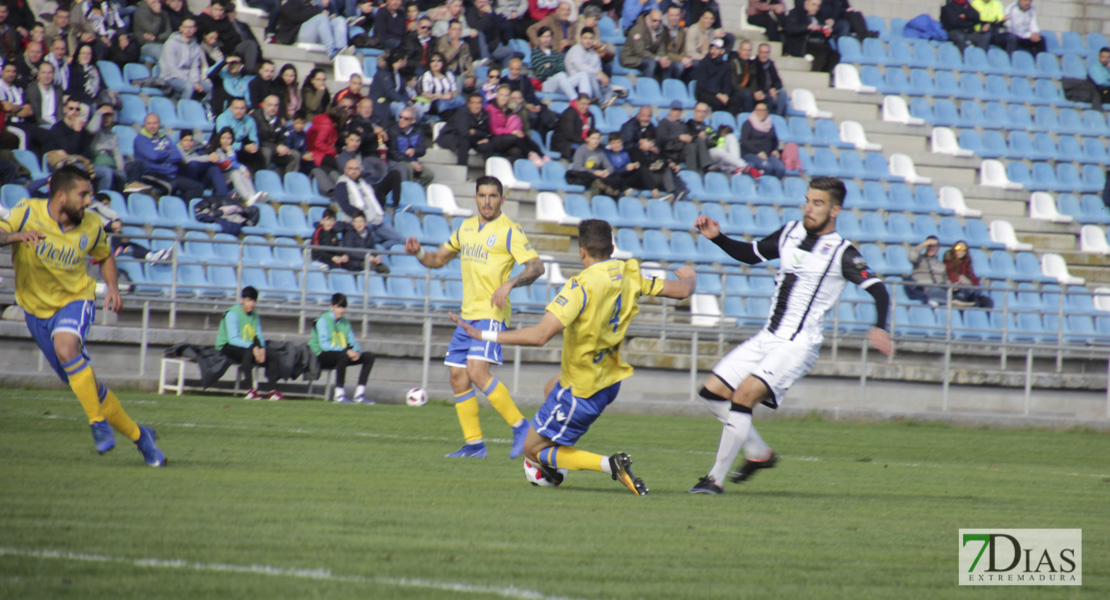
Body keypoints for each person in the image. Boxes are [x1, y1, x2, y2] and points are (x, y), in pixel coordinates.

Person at [449, 219, 697, 494]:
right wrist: (691, 277)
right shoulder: (629, 274)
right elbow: (683, 290)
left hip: (582, 388)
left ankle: (610, 464)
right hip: (610, 378)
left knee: (532, 450)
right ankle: (557, 452)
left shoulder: (579, 286)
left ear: (581, 252)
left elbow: (540, 336)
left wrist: (482, 335)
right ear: (611, 247)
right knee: (549, 388)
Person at [687, 176, 893, 494]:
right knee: (711, 394)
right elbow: (752, 254)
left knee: (743, 396)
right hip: (768, 337)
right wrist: (718, 238)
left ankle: (713, 481)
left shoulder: (843, 253)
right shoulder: (790, 232)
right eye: (808, 200)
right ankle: (758, 453)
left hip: (799, 345)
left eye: (818, 203)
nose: (809, 208)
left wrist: (881, 325)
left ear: (835, 210)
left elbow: (878, 288)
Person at [0, 165, 165, 465]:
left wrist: (112, 287)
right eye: (84, 194)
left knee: (67, 348)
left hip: (76, 299)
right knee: (82, 382)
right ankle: (142, 437)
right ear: (61, 196)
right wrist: (18, 237)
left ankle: (98, 424)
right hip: (35, 310)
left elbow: (104, 256)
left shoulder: (91, 224)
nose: (89, 201)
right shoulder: (27, 210)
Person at [404, 175, 544, 459]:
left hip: (491, 313)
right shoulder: (465, 228)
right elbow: (438, 260)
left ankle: (521, 428)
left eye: (493, 196)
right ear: (476, 198)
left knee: (477, 372)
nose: (487, 201)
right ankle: (474, 445)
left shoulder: (509, 231)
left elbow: (536, 267)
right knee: (458, 377)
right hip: (468, 315)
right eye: (482, 196)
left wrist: (510, 283)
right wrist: (419, 254)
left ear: (502, 199)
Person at [216, 286, 284, 400]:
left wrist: (262, 348)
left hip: (248, 346)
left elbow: (258, 334)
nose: (251, 304)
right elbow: (233, 338)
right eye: (249, 300)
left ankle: (272, 391)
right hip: (227, 346)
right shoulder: (231, 313)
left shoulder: (255, 315)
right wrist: (253, 347)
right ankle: (250, 391)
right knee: (248, 353)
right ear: (242, 300)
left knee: (273, 355)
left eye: (254, 301)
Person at [310, 293, 376, 403]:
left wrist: (356, 352)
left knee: (369, 356)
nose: (341, 310)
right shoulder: (322, 320)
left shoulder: (345, 322)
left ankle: (360, 394)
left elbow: (352, 342)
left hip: (341, 354)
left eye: (343, 307)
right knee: (343, 355)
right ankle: (339, 394)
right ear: (332, 307)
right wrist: (346, 351)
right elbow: (324, 345)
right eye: (338, 307)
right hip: (320, 355)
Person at [133, 113, 205, 199]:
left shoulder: (164, 137)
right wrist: (168, 152)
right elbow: (154, 156)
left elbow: (178, 156)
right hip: (153, 173)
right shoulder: (141, 139)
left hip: (171, 174)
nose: (152, 126)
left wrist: (160, 155)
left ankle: (181, 206)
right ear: (145, 124)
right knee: (171, 186)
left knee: (197, 187)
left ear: (159, 124)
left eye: (155, 123)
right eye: (149, 123)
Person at [333, 158, 405, 239]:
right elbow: (345, 206)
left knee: (401, 240)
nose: (353, 171)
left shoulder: (363, 184)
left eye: (356, 169)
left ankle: (384, 247)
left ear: (360, 170)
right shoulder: (341, 184)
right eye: (350, 168)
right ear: (345, 170)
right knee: (370, 244)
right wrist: (362, 218)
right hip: (358, 224)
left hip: (376, 222)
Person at [207, 126, 268, 205]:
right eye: (224, 138)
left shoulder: (230, 149)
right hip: (217, 180)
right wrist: (242, 167)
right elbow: (226, 165)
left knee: (242, 172)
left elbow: (233, 163)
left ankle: (253, 196)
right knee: (235, 172)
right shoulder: (216, 150)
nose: (226, 141)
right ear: (219, 138)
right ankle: (247, 197)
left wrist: (243, 169)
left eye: (229, 138)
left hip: (228, 179)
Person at [532, 27, 593, 102]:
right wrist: (554, 68)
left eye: (548, 36)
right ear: (539, 38)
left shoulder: (555, 53)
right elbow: (542, 71)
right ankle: (575, 100)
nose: (546, 39)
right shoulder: (536, 54)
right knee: (560, 76)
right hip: (545, 85)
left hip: (559, 83)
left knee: (583, 74)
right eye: (544, 37)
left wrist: (551, 66)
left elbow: (562, 69)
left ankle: (586, 99)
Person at [620, 10, 683, 81]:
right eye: (654, 20)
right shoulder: (638, 29)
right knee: (650, 64)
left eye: (659, 21)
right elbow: (639, 51)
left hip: (649, 57)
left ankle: (665, 88)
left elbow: (661, 49)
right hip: (631, 57)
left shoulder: (661, 30)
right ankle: (647, 86)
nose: (657, 23)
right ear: (649, 19)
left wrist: (662, 59)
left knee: (667, 64)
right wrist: (657, 59)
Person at [160, 17, 211, 101]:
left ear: (195, 29)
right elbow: (171, 68)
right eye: (186, 27)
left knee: (209, 86)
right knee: (189, 87)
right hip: (170, 77)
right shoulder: (171, 43)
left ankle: (206, 108)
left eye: (191, 27)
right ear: (181, 28)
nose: (189, 30)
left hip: (188, 77)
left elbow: (195, 67)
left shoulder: (196, 46)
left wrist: (196, 81)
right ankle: (184, 109)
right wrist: (192, 82)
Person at [783, 0, 839, 73]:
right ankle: (814, 75)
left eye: (818, 6)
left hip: (819, 42)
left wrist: (827, 30)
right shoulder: (796, 13)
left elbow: (823, 31)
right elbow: (790, 29)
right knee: (821, 52)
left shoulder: (819, 15)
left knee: (834, 55)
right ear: (806, 3)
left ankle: (826, 76)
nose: (816, 8)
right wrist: (807, 27)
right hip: (803, 44)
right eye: (813, 5)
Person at [437, 92, 491, 166]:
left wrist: (474, 132)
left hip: (473, 139)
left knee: (488, 145)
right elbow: (464, 133)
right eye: (473, 103)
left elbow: (485, 132)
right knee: (464, 141)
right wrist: (476, 140)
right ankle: (461, 170)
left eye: (479, 103)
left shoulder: (484, 115)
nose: (476, 106)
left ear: (482, 105)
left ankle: (489, 173)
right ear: (468, 104)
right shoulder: (462, 113)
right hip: (451, 137)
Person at [691, 39, 744, 115]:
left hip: (720, 93)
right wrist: (718, 94)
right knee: (718, 102)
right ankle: (717, 121)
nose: (713, 51)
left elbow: (727, 82)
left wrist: (726, 95)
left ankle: (727, 121)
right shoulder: (703, 63)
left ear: (722, 51)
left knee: (736, 101)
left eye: (716, 49)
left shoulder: (725, 65)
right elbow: (702, 84)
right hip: (704, 93)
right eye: (712, 49)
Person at [566, 129, 625, 196]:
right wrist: (594, 172)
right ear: (587, 139)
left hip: (599, 176)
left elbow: (610, 167)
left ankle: (602, 186)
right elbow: (577, 167)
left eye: (598, 139)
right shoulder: (581, 150)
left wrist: (606, 172)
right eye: (593, 138)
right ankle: (605, 188)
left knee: (617, 178)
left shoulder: (600, 152)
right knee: (588, 175)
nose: (596, 141)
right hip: (587, 175)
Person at [252, 94, 301, 175]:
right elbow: (259, 140)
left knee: (295, 155)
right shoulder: (255, 117)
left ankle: (289, 181)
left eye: (276, 105)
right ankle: (265, 179)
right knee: (266, 152)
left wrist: (282, 146)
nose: (273, 108)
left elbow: (282, 137)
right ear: (263, 105)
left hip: (275, 151)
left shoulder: (278, 119)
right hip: (262, 150)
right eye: (270, 105)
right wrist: (276, 148)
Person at [658, 99, 711, 173]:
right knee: (690, 147)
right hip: (672, 150)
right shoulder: (664, 122)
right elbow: (661, 138)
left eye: (679, 110)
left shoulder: (682, 123)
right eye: (675, 110)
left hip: (682, 148)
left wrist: (691, 137)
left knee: (699, 140)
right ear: (670, 110)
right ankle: (693, 172)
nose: (677, 112)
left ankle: (706, 166)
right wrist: (679, 137)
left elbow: (688, 134)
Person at [387, 107, 435, 188]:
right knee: (409, 169)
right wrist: (410, 162)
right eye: (400, 117)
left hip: (413, 160)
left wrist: (414, 151)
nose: (401, 120)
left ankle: (417, 191)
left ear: (413, 121)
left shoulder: (418, 131)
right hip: (398, 160)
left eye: (405, 118)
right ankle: (409, 193)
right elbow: (393, 153)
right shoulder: (393, 131)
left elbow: (423, 150)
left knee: (429, 175)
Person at [740, 102, 785, 178]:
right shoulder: (748, 123)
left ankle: (774, 187)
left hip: (768, 154)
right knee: (767, 167)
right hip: (752, 153)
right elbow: (744, 142)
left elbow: (775, 140)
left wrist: (775, 150)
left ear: (767, 112)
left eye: (763, 110)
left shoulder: (770, 125)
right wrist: (758, 152)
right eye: (758, 110)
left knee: (780, 168)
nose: (761, 113)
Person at [341, 209, 393, 273]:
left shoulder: (369, 233)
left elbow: (372, 248)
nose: (358, 224)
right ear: (353, 223)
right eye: (356, 222)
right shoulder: (349, 234)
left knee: (385, 269)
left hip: (369, 259)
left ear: (366, 223)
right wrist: (367, 257)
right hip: (357, 261)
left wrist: (377, 257)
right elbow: (350, 252)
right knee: (371, 267)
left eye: (361, 221)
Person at [944, 240, 994, 308]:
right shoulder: (949, 262)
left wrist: (975, 286)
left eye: (963, 249)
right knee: (966, 290)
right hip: (957, 289)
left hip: (968, 288)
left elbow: (973, 277)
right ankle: (959, 299)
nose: (960, 251)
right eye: (958, 248)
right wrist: (958, 283)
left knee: (987, 302)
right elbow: (951, 275)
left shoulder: (967, 262)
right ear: (954, 250)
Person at [904, 236, 947, 307]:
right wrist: (923, 244)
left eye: (934, 246)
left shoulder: (941, 264)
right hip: (923, 289)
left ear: (938, 248)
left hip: (939, 289)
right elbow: (912, 256)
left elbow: (946, 279)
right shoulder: (919, 259)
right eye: (929, 246)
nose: (931, 248)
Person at [550, 93, 595, 159]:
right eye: (583, 104)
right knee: (583, 149)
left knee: (599, 147)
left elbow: (592, 132)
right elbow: (569, 135)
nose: (586, 107)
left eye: (588, 104)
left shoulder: (590, 116)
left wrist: (592, 140)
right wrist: (586, 141)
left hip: (583, 141)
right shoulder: (569, 114)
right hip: (565, 144)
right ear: (577, 103)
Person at [751, 43, 789, 117]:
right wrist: (769, 91)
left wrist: (774, 89)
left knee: (783, 93)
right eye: (762, 52)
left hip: (772, 92)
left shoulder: (771, 64)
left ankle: (779, 116)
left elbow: (778, 81)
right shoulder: (754, 64)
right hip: (761, 92)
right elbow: (754, 83)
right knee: (770, 99)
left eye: (766, 52)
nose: (764, 55)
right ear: (758, 53)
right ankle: (776, 117)